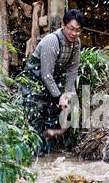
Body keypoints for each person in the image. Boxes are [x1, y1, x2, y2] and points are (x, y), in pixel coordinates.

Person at [21, 9, 83, 155]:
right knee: (35, 118)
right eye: (71, 29)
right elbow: (46, 74)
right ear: (63, 25)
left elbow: (72, 71)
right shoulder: (51, 41)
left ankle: (47, 157)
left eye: (78, 30)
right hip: (34, 82)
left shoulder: (76, 43)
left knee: (51, 117)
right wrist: (59, 96)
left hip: (51, 82)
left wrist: (68, 95)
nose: (74, 33)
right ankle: (33, 156)